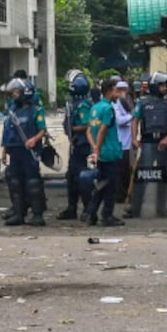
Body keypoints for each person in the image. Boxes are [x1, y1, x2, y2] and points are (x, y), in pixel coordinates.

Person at [127, 72, 167, 218]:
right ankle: (135, 208)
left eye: (165, 85)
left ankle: (161, 208)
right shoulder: (142, 103)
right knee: (141, 175)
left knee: (163, 175)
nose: (165, 88)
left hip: (162, 142)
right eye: (162, 85)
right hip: (147, 141)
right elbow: (135, 120)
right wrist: (134, 138)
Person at [0, 78, 47, 227]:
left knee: (32, 182)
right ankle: (19, 214)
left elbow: (42, 130)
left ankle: (37, 214)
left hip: (29, 152)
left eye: (16, 92)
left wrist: (34, 140)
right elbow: (7, 131)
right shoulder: (12, 110)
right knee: (15, 182)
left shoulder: (36, 110)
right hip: (15, 150)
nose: (14, 94)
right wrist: (4, 151)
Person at [83, 78, 127, 228]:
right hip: (109, 153)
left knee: (100, 185)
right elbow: (102, 130)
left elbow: (89, 131)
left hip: (100, 153)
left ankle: (91, 213)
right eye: (116, 91)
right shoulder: (108, 109)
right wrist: (98, 148)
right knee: (110, 187)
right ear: (109, 92)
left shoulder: (94, 108)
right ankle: (107, 215)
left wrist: (94, 147)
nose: (119, 94)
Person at [58, 70, 94, 221]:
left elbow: (87, 125)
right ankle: (71, 208)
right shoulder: (74, 105)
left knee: (83, 178)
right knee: (71, 177)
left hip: (83, 146)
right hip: (75, 145)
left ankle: (87, 209)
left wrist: (72, 129)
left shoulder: (83, 106)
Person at [113, 80, 136, 205]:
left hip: (128, 142)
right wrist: (132, 117)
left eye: (125, 89)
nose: (123, 92)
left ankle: (127, 193)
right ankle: (120, 195)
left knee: (127, 171)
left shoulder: (128, 102)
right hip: (121, 142)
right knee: (121, 171)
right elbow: (119, 120)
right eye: (120, 89)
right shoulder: (116, 103)